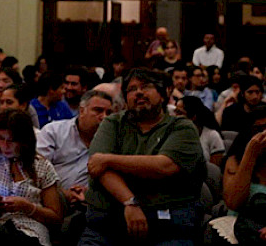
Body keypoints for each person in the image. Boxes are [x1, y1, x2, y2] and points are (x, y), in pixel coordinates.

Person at [79, 68, 206, 246]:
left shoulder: (182, 127)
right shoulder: (113, 123)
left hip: (167, 225)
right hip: (108, 223)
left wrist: (109, 159)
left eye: (146, 87)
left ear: (163, 94)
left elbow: (164, 166)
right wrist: (130, 203)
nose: (138, 92)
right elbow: (98, 169)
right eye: (131, 89)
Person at [0, 109, 63, 246]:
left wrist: (28, 207)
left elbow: (56, 218)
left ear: (24, 141)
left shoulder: (42, 166)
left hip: (30, 229)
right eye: (1, 138)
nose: (5, 145)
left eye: (12, 140)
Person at [37, 90, 113, 204]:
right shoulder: (53, 131)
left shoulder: (111, 142)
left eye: (109, 113)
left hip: (87, 204)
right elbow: (37, 172)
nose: (104, 117)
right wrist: (62, 193)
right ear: (82, 111)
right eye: (98, 110)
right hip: (47, 199)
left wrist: (88, 192)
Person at [222, 105, 266, 244]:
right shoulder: (235, 160)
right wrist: (250, 155)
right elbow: (233, 203)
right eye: (259, 130)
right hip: (242, 231)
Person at [174, 95, 224, 166]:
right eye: (175, 112)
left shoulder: (212, 135)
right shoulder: (173, 134)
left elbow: (214, 171)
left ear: (193, 117)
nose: (175, 117)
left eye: (179, 113)